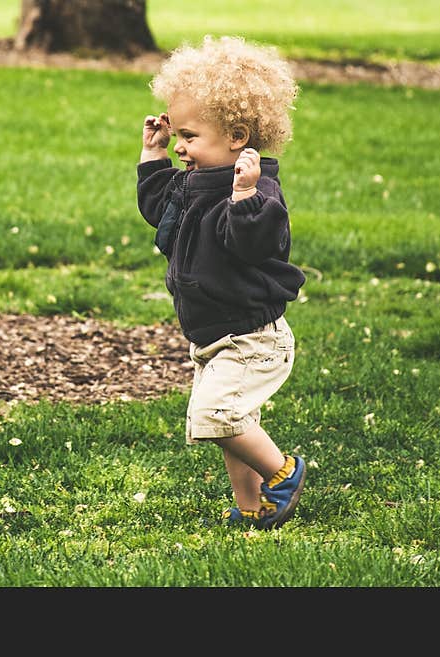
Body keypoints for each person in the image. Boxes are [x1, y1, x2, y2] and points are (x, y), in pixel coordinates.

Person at [136, 35, 307, 530]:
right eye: (177, 134)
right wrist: (154, 156)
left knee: (217, 417)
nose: (181, 147)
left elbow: (255, 244)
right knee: (233, 423)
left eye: (189, 135)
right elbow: (156, 210)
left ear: (236, 136)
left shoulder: (257, 189)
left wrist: (245, 196)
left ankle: (284, 471)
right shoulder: (190, 181)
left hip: (252, 336)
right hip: (213, 334)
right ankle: (252, 508)